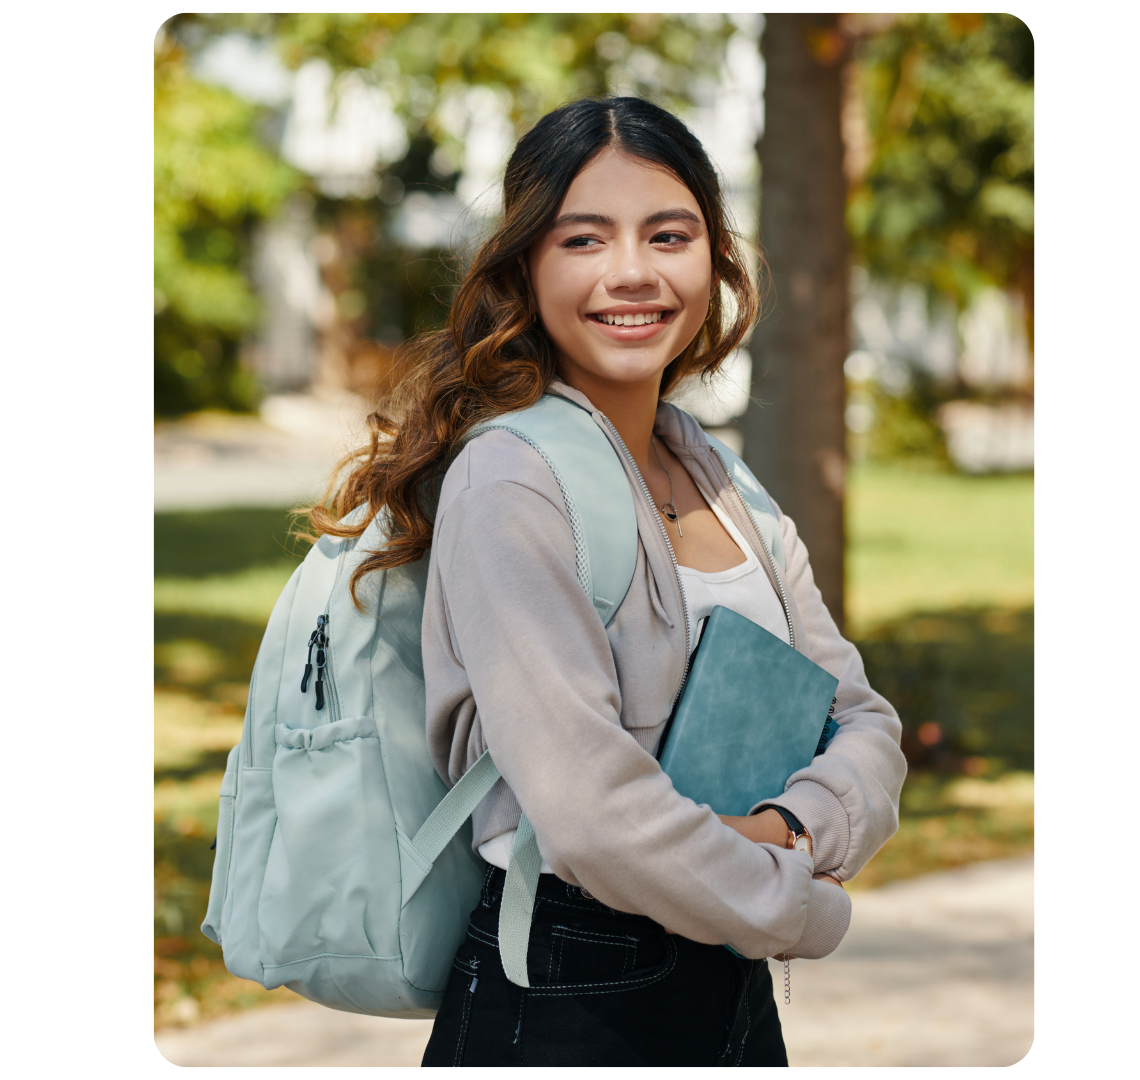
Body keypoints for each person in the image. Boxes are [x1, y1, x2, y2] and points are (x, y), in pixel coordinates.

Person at [306, 96, 906, 1068]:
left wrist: (792, 828)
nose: (632, 272)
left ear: (714, 259)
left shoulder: (715, 470)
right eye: (584, 239)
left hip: (732, 983)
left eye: (669, 235)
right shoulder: (509, 480)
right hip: (568, 994)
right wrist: (792, 900)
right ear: (527, 268)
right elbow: (589, 813)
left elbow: (864, 720)